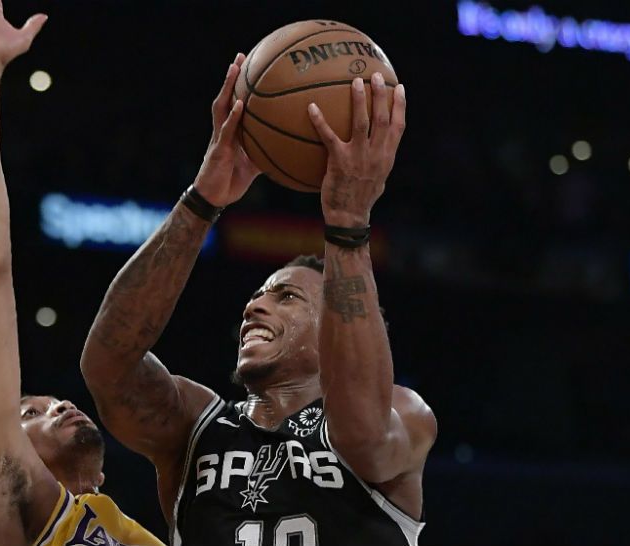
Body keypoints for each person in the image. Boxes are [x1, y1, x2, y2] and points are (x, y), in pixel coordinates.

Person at [80, 57, 437, 545]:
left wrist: (349, 221)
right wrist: (203, 199)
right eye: (256, 296)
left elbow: (363, 434)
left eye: (285, 296)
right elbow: (107, 363)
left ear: (332, 327)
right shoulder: (193, 426)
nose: (253, 308)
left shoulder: (404, 414)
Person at [0, 1, 165, 544]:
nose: (59, 404)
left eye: (44, 404)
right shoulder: (5, 489)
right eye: (29, 412)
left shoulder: (134, 534)